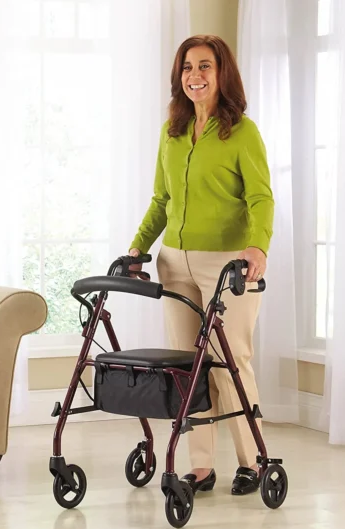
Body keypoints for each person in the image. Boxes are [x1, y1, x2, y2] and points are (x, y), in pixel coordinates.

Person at [128, 35, 273, 496]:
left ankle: (253, 461)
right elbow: (160, 201)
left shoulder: (242, 132)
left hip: (227, 264)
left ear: (221, 73)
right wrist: (137, 249)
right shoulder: (171, 132)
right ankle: (202, 467)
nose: (195, 75)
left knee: (232, 362)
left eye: (205, 66)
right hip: (175, 262)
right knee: (188, 366)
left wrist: (257, 248)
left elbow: (260, 199)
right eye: (188, 67)